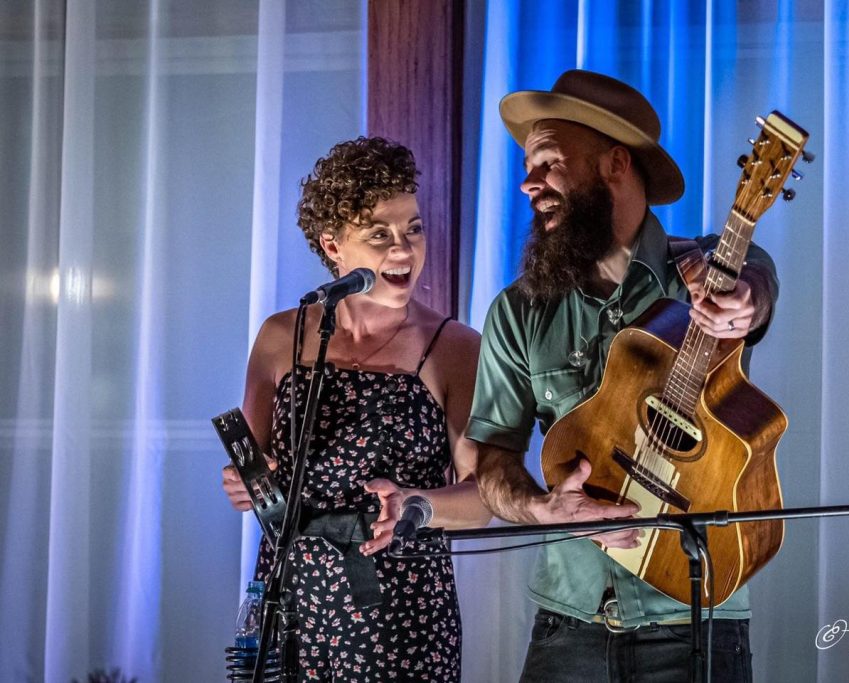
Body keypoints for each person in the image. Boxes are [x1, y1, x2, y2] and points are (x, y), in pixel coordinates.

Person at [466, 70, 779, 681]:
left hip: (695, 621)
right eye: (529, 167)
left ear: (615, 164)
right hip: (567, 628)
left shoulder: (710, 272)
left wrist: (746, 302)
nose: (528, 182)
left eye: (549, 162)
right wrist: (543, 509)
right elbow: (493, 461)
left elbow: (755, 285)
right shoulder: (516, 311)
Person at [221, 136, 489, 681]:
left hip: (401, 608)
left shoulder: (456, 347)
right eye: (379, 234)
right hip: (291, 596)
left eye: (413, 229)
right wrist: (244, 482)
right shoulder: (280, 336)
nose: (403, 250)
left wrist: (415, 503)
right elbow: (247, 466)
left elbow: (483, 498)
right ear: (333, 245)